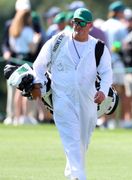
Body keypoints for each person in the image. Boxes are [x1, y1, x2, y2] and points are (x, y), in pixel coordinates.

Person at [31, 8, 113, 179]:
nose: (78, 25)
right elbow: (39, 65)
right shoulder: (58, 41)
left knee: (82, 142)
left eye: (82, 22)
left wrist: (103, 91)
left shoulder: (98, 47)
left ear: (90, 25)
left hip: (88, 101)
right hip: (62, 99)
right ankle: (79, 177)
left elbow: (106, 72)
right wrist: (39, 84)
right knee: (72, 140)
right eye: (76, 21)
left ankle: (71, 174)